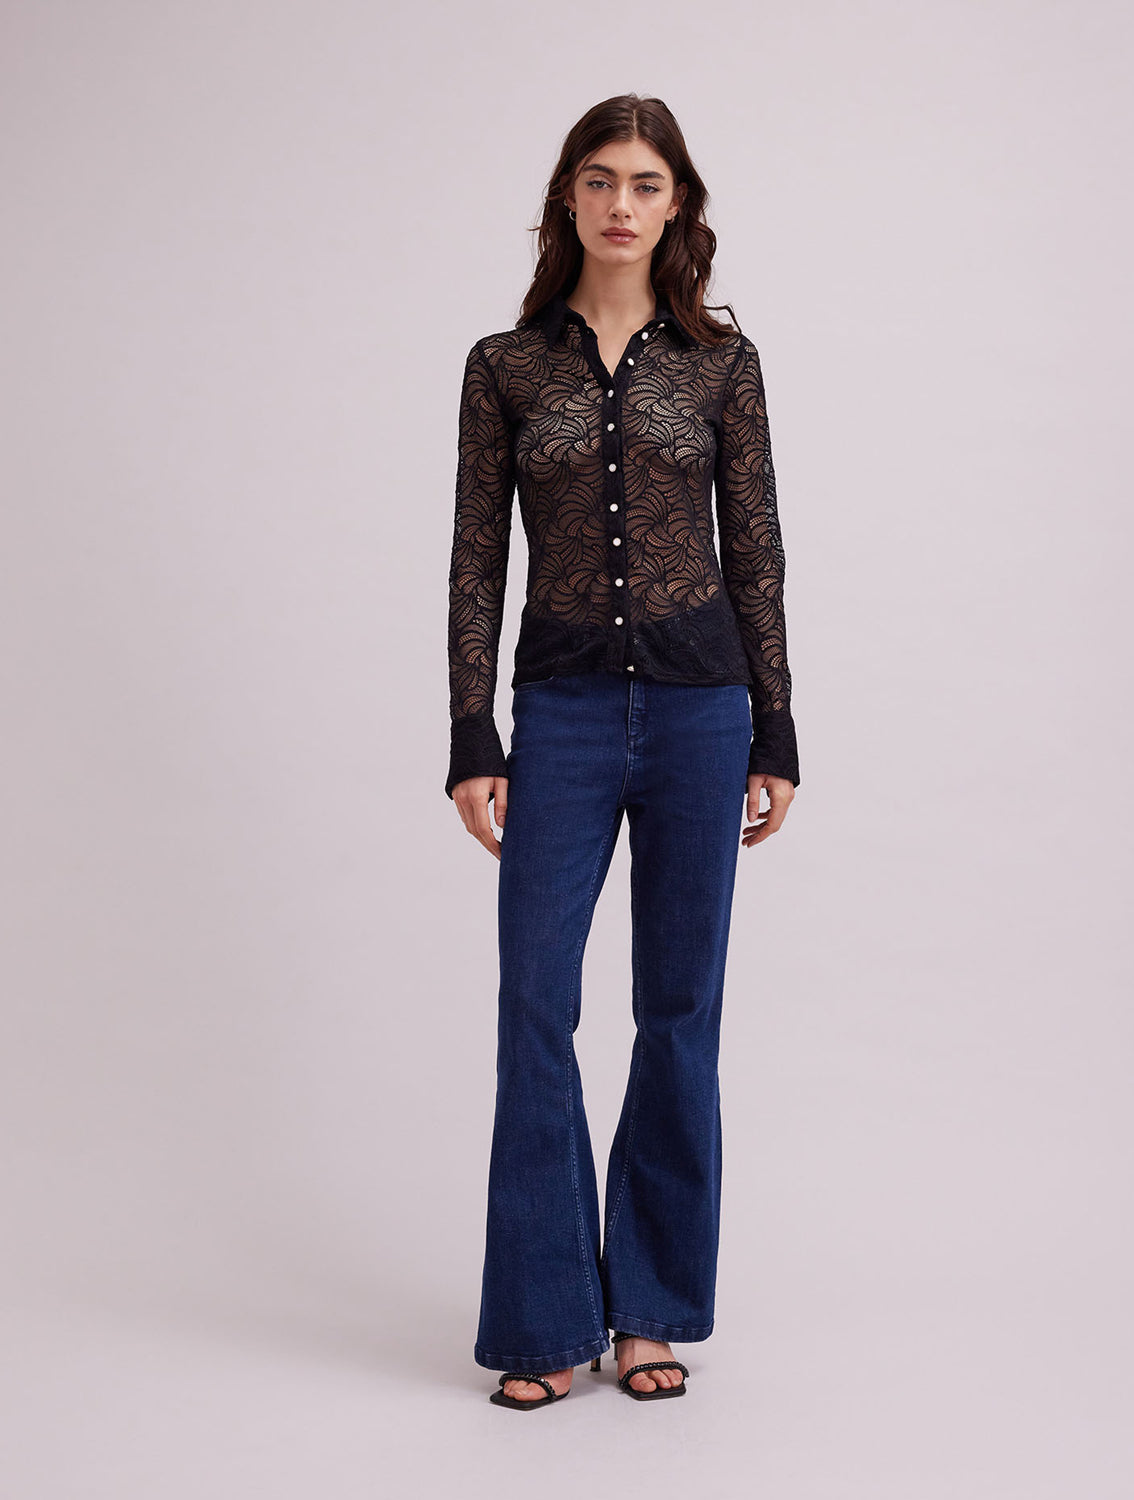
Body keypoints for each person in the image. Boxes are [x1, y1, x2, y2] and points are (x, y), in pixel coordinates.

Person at [445, 93, 800, 1410]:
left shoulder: (721, 364)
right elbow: (476, 559)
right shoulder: (504, 366)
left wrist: (777, 726)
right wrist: (471, 731)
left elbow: (755, 551)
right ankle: (545, 1319)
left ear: (677, 205)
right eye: (599, 179)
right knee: (535, 1004)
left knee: (679, 1010)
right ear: (567, 197)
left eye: (646, 183)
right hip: (566, 716)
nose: (621, 204)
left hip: (705, 714)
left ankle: (650, 1311)